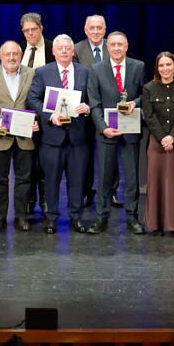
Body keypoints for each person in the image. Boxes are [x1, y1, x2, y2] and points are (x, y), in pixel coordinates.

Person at [27, 34, 92, 234]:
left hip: (78, 137)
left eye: (67, 48)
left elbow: (93, 99)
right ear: (53, 51)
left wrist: (87, 108)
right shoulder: (42, 72)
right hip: (52, 137)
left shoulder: (85, 72)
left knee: (77, 180)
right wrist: (49, 116)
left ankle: (76, 218)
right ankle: (51, 218)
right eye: (60, 48)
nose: (64, 51)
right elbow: (33, 99)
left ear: (73, 52)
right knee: (51, 181)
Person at [87, 31, 147, 234]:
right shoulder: (96, 69)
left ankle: (132, 217)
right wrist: (103, 127)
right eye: (112, 44)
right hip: (107, 130)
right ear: (107, 47)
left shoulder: (138, 66)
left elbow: (145, 95)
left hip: (130, 129)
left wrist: (135, 103)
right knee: (104, 177)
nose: (116, 48)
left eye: (120, 44)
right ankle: (101, 218)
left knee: (132, 177)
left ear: (126, 47)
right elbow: (94, 103)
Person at [0, 40, 37, 232]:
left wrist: (36, 120)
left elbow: (36, 101)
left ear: (21, 55)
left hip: (25, 136)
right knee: (0, 179)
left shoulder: (32, 74)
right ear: (0, 56)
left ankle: (21, 217)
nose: (12, 57)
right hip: (1, 136)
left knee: (24, 179)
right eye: (7, 54)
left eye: (15, 53)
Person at [141, 52, 174, 235]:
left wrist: (172, 137)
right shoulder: (149, 88)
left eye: (168, 65)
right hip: (157, 143)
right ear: (157, 68)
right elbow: (149, 116)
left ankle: (173, 224)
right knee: (156, 182)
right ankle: (155, 223)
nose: (165, 69)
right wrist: (163, 137)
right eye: (161, 65)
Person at [72, 14, 112, 209]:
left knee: (110, 152)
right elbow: (77, 80)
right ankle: (87, 191)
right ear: (85, 30)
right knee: (85, 154)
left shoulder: (113, 46)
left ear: (105, 30)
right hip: (86, 109)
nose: (95, 31)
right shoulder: (77, 49)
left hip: (110, 108)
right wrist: (87, 104)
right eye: (92, 28)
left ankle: (111, 192)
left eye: (99, 28)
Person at [18, 13, 51, 220]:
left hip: (46, 114)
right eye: (26, 30)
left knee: (45, 161)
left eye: (34, 29)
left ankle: (45, 200)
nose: (30, 33)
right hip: (23, 114)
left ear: (41, 28)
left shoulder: (52, 49)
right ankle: (29, 201)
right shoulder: (18, 50)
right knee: (26, 161)